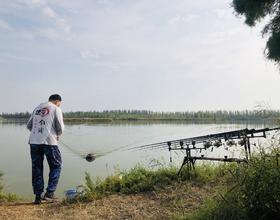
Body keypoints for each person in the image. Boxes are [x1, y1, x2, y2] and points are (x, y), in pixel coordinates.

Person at [27, 94, 64, 204]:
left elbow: (29, 125)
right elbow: (60, 128)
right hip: (49, 142)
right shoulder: (56, 108)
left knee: (37, 167)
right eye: (60, 103)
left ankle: (38, 196)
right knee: (57, 165)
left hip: (33, 142)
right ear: (57, 101)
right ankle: (49, 194)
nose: (60, 105)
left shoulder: (37, 108)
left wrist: (38, 135)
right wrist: (57, 135)